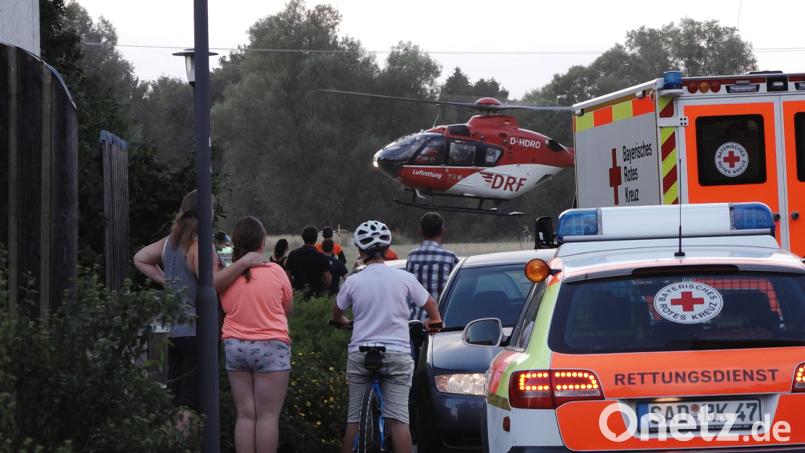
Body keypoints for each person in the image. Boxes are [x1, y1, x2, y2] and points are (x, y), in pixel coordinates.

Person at [133, 190, 266, 412]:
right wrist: (243, 263)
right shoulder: (200, 245)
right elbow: (212, 284)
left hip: (168, 330)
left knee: (172, 399)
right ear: (208, 213)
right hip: (195, 330)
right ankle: (188, 433)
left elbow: (140, 258)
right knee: (191, 404)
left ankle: (172, 433)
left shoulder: (170, 243)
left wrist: (169, 282)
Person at [331, 220, 442, 453]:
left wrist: (342, 321)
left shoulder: (353, 281)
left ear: (360, 251)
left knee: (353, 420)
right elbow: (430, 305)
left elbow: (337, 311)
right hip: (396, 354)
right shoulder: (404, 278)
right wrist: (433, 321)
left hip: (361, 353)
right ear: (388, 248)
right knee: (398, 421)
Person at [220, 216, 293, 453]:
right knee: (267, 416)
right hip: (271, 345)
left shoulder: (227, 275)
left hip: (235, 345)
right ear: (262, 242)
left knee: (245, 415)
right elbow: (287, 308)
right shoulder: (276, 271)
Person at [405, 212, 459, 320]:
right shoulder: (450, 258)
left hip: (416, 322)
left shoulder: (412, 257)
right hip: (441, 320)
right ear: (443, 231)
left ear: (420, 231)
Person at [285, 225, 332, 297]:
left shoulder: (292, 254)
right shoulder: (322, 257)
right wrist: (322, 290)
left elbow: (287, 275)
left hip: (298, 295)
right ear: (316, 238)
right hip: (316, 297)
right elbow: (328, 280)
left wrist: (293, 288)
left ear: (303, 237)